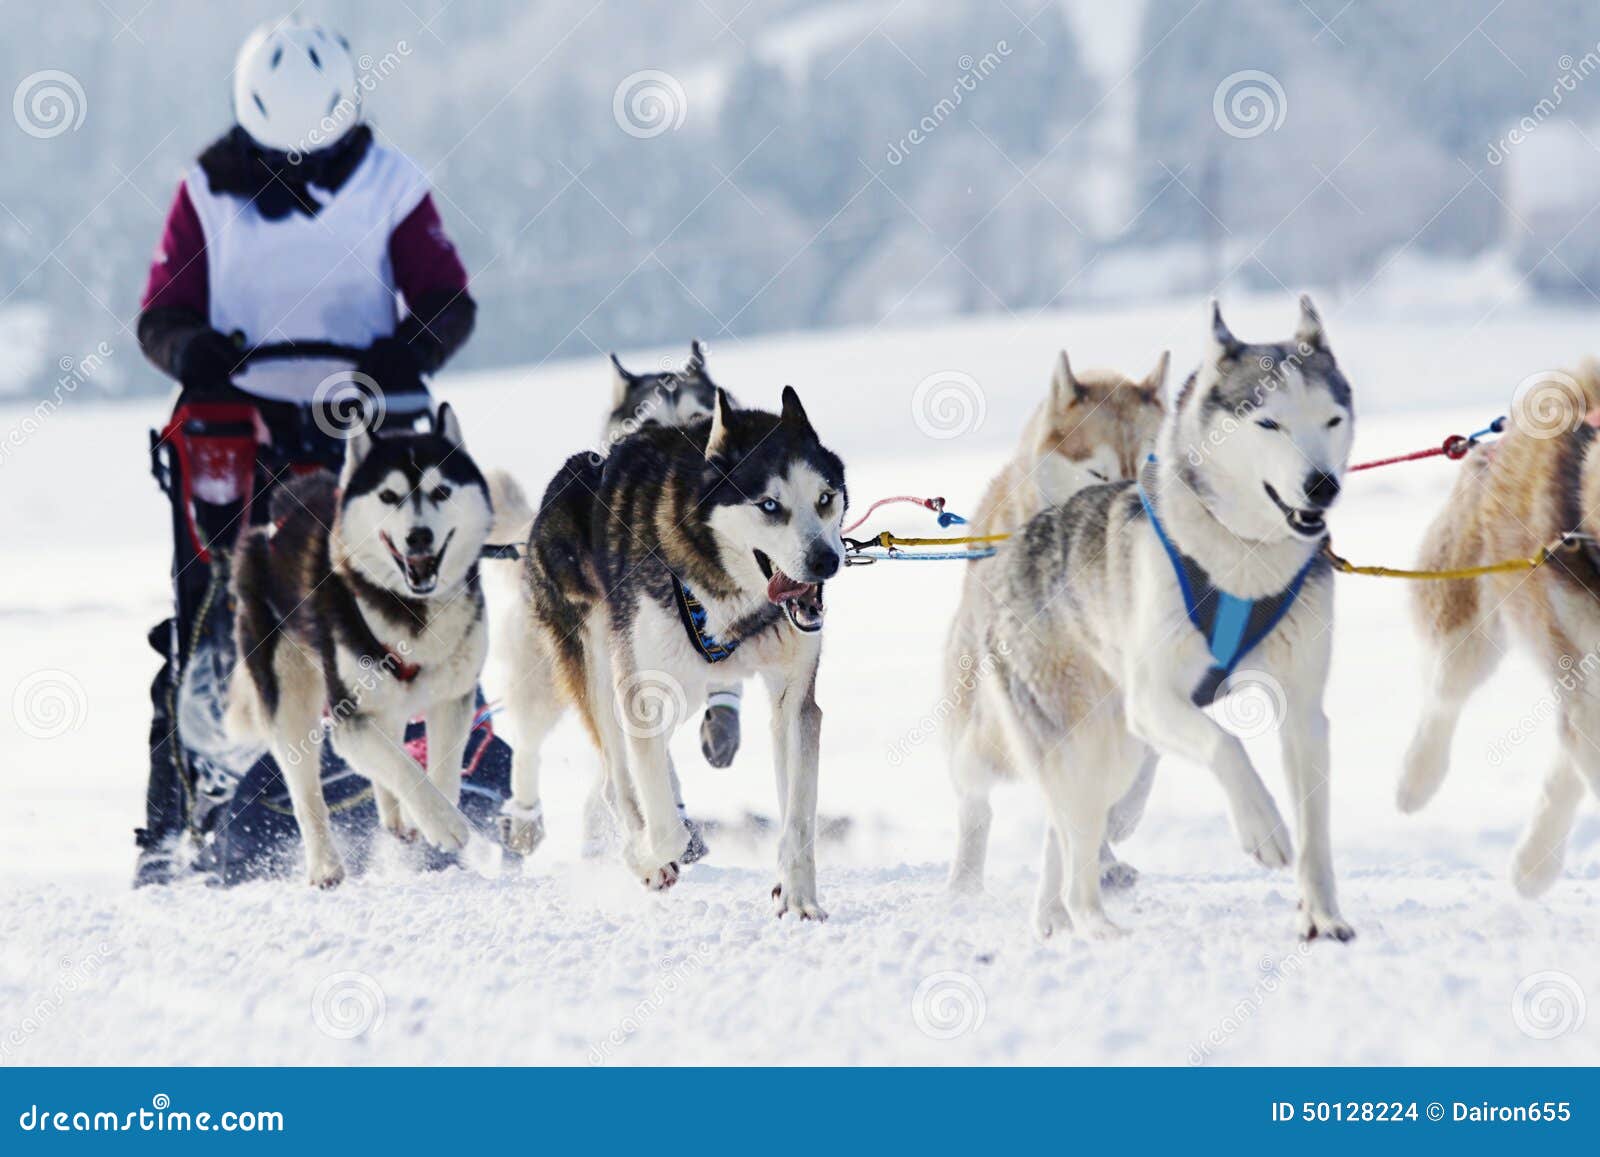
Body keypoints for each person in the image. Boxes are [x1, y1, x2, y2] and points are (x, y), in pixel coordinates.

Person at [134, 18, 511, 885]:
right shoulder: (207, 189)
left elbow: (447, 301)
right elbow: (162, 311)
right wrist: (196, 352)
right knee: (209, 615)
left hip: (367, 431)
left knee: (424, 598)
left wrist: (405, 348)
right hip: (242, 426)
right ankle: (177, 821)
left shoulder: (391, 183)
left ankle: (460, 771)